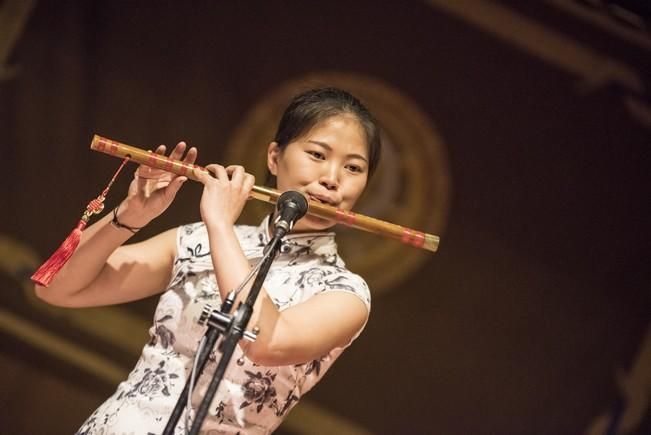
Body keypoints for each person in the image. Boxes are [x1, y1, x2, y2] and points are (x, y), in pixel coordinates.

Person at [35, 87, 382, 434]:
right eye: (318, 155)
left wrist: (219, 224)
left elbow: (266, 342)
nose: (332, 179)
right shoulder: (196, 241)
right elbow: (56, 290)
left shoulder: (346, 292)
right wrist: (128, 216)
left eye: (353, 167)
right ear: (274, 157)